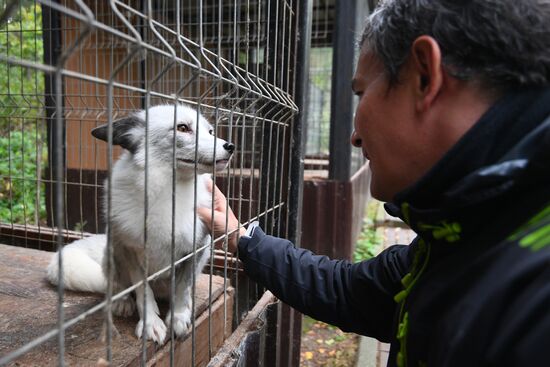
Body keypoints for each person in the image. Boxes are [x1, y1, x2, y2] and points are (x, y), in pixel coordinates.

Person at [198, 1, 550, 366]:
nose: (353, 136)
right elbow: (350, 291)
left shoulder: (532, 301)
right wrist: (241, 237)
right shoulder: (466, 229)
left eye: (361, 93)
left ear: (425, 76)